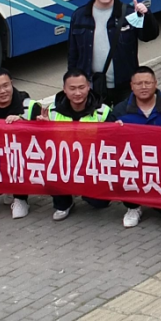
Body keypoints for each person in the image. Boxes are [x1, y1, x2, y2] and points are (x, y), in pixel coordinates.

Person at [67, 0, 158, 105]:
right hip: (93, 85)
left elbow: (149, 36)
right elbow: (73, 52)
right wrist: (72, 81)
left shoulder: (128, 13)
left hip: (124, 85)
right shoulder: (79, 15)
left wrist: (146, 15)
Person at [40, 68, 116, 222]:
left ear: (89, 86)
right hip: (63, 163)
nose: (77, 93)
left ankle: (88, 192)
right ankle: (63, 203)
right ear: (64, 89)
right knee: (48, 168)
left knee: (99, 203)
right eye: (72, 88)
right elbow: (40, 142)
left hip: (92, 165)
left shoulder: (103, 112)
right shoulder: (51, 112)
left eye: (81, 88)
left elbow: (113, 142)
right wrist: (42, 128)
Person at [112, 67, 161, 228]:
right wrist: (114, 132)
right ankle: (133, 206)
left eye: (148, 83)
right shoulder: (120, 111)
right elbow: (108, 145)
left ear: (155, 83)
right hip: (134, 164)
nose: (143, 87)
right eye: (139, 83)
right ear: (131, 86)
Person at [0, 67, 42, 218]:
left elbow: (44, 137)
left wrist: (24, 124)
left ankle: (20, 198)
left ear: (12, 83)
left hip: (25, 157)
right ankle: (8, 187)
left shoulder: (30, 106)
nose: (3, 91)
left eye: (6, 85)